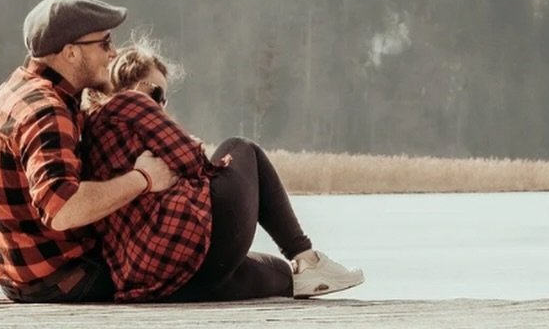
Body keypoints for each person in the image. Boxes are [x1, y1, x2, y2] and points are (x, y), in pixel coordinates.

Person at [83, 39, 364, 303]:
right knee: (241, 148)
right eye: (157, 92)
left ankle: (304, 273)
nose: (160, 105)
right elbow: (195, 162)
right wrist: (190, 150)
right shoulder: (130, 102)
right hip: (181, 246)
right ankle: (306, 256)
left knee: (281, 274)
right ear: (129, 83)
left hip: (154, 281)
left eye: (164, 98)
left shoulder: (93, 129)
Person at [0, 0, 175, 303]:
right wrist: (143, 179)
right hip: (64, 278)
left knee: (244, 271)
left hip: (21, 278)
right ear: (70, 53)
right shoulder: (48, 112)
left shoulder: (15, 89)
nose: (113, 53)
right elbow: (63, 209)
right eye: (104, 43)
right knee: (247, 270)